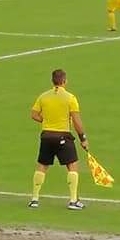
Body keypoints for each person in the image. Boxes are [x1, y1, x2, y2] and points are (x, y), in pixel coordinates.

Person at [29, 69, 88, 210]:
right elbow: (77, 121)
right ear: (64, 81)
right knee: (72, 166)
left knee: (42, 165)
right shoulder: (70, 98)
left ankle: (34, 199)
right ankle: (73, 201)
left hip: (46, 136)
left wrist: (46, 120)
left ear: (52, 81)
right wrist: (83, 138)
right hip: (63, 136)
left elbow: (34, 114)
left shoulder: (43, 97)